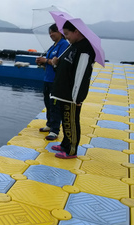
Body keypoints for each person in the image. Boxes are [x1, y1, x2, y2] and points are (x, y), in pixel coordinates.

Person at [50, 20, 96, 159]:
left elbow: (81, 74)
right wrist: (56, 64)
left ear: (76, 32)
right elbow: (67, 67)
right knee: (66, 119)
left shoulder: (85, 49)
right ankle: (65, 143)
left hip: (72, 95)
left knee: (72, 121)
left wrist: (78, 97)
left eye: (67, 34)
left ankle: (71, 150)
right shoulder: (74, 46)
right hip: (64, 93)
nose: (66, 37)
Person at [35, 24, 69, 140]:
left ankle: (55, 130)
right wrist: (42, 62)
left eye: (53, 32)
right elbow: (50, 62)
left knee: (55, 105)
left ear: (60, 32)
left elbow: (61, 62)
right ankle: (49, 124)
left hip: (56, 81)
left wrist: (46, 60)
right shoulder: (52, 46)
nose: (51, 35)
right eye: (49, 33)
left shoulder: (64, 45)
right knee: (48, 104)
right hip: (47, 79)